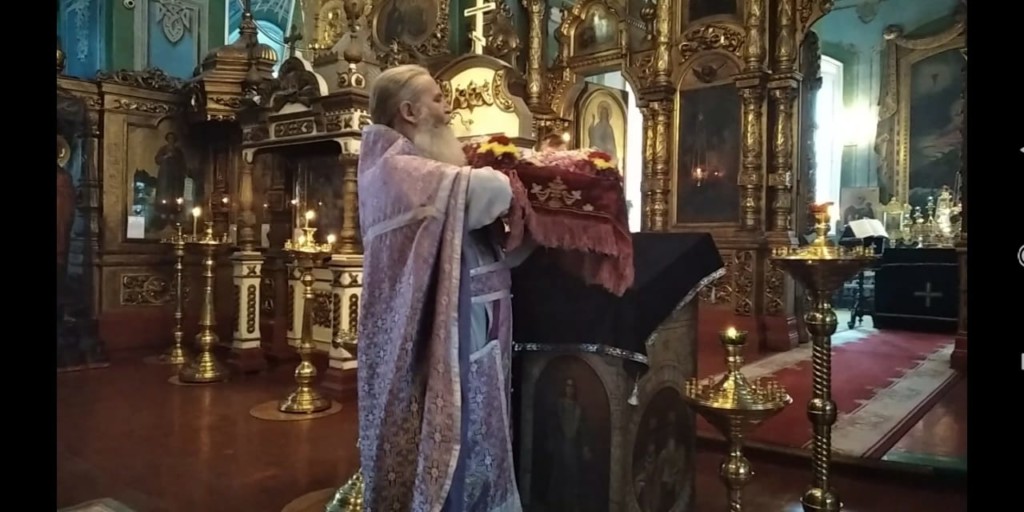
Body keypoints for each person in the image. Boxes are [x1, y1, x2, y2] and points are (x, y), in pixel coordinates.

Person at [357, 64, 534, 512]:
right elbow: (487, 192)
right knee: (462, 424)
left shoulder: (421, 163)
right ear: (409, 111)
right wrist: (519, 173)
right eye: (437, 99)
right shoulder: (394, 168)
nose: (447, 108)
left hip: (479, 319)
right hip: (451, 325)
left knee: (486, 420)